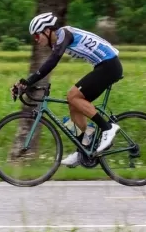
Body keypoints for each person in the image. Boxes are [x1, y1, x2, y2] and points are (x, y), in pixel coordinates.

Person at [13, 13, 122, 166]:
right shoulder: (59, 38)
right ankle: (84, 148)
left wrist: (29, 81)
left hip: (109, 65)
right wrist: (26, 83)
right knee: (73, 103)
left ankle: (107, 128)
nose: (36, 41)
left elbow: (52, 61)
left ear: (47, 30)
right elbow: (48, 63)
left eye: (37, 36)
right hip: (103, 65)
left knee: (73, 96)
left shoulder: (64, 34)